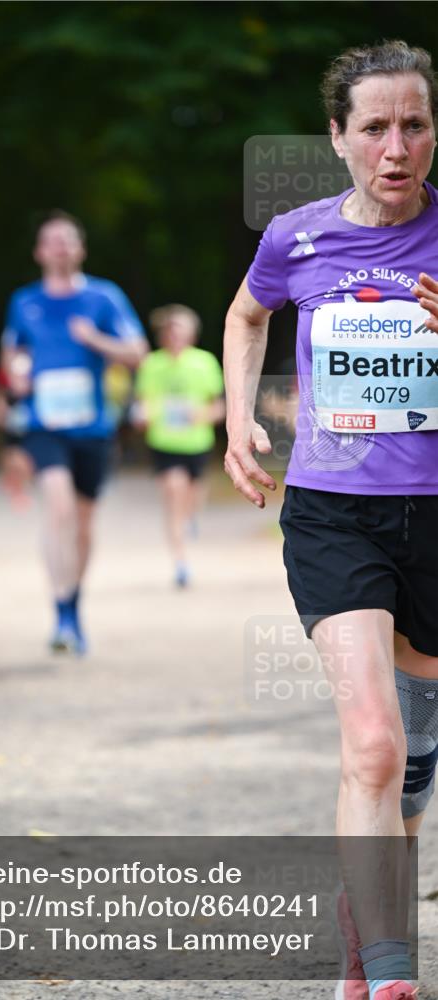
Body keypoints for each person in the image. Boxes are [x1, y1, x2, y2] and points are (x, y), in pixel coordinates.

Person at [223, 41, 438, 1000]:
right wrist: (237, 419)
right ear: (338, 138)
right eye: (375, 128)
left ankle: (368, 931)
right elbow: (244, 316)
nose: (397, 147)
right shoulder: (296, 238)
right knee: (372, 745)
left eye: (415, 124)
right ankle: (387, 975)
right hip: (333, 514)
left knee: (415, 758)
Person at [1, 210, 147, 654]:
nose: (61, 247)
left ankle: (72, 605)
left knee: (83, 523)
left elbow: (138, 353)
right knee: (58, 506)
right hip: (44, 424)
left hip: (93, 427)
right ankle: (60, 609)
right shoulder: (23, 301)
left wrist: (95, 341)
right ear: (40, 252)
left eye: (68, 239)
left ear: (80, 248)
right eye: (52, 240)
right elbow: (11, 355)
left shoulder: (104, 298)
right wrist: (17, 374)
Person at [133, 304, 225, 587]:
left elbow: (219, 407)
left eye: (180, 329)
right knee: (174, 492)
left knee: (192, 498)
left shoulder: (205, 362)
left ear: (192, 334)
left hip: (197, 443)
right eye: (169, 330)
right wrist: (142, 416)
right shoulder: (151, 364)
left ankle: (190, 517)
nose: (174, 335)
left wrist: (203, 416)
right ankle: (181, 563)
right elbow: (141, 404)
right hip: (164, 442)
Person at [0, 357, 34, 510]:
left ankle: (19, 488)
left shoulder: (39, 363)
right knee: (10, 454)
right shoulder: (5, 368)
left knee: (25, 459)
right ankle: (13, 485)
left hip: (30, 422)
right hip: (11, 420)